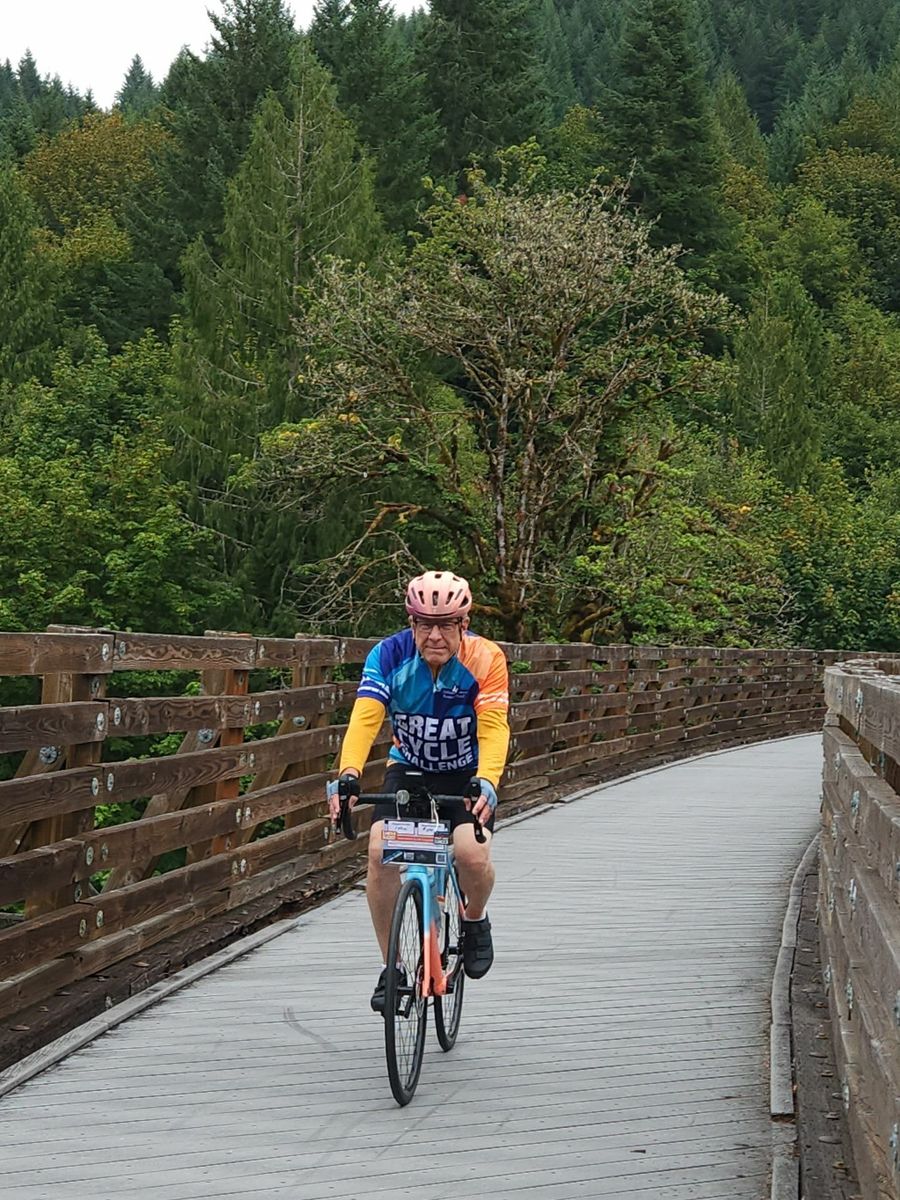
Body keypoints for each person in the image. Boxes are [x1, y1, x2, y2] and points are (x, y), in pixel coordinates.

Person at [327, 570, 510, 1013]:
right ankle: (393, 967)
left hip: (465, 773)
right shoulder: (388, 655)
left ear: (464, 624)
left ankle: (474, 919)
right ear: (411, 623)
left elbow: (493, 727)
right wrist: (348, 774)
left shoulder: (486, 658)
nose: (434, 636)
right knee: (379, 852)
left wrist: (488, 779)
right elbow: (365, 717)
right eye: (424, 624)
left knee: (470, 855)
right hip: (410, 769)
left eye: (446, 625)